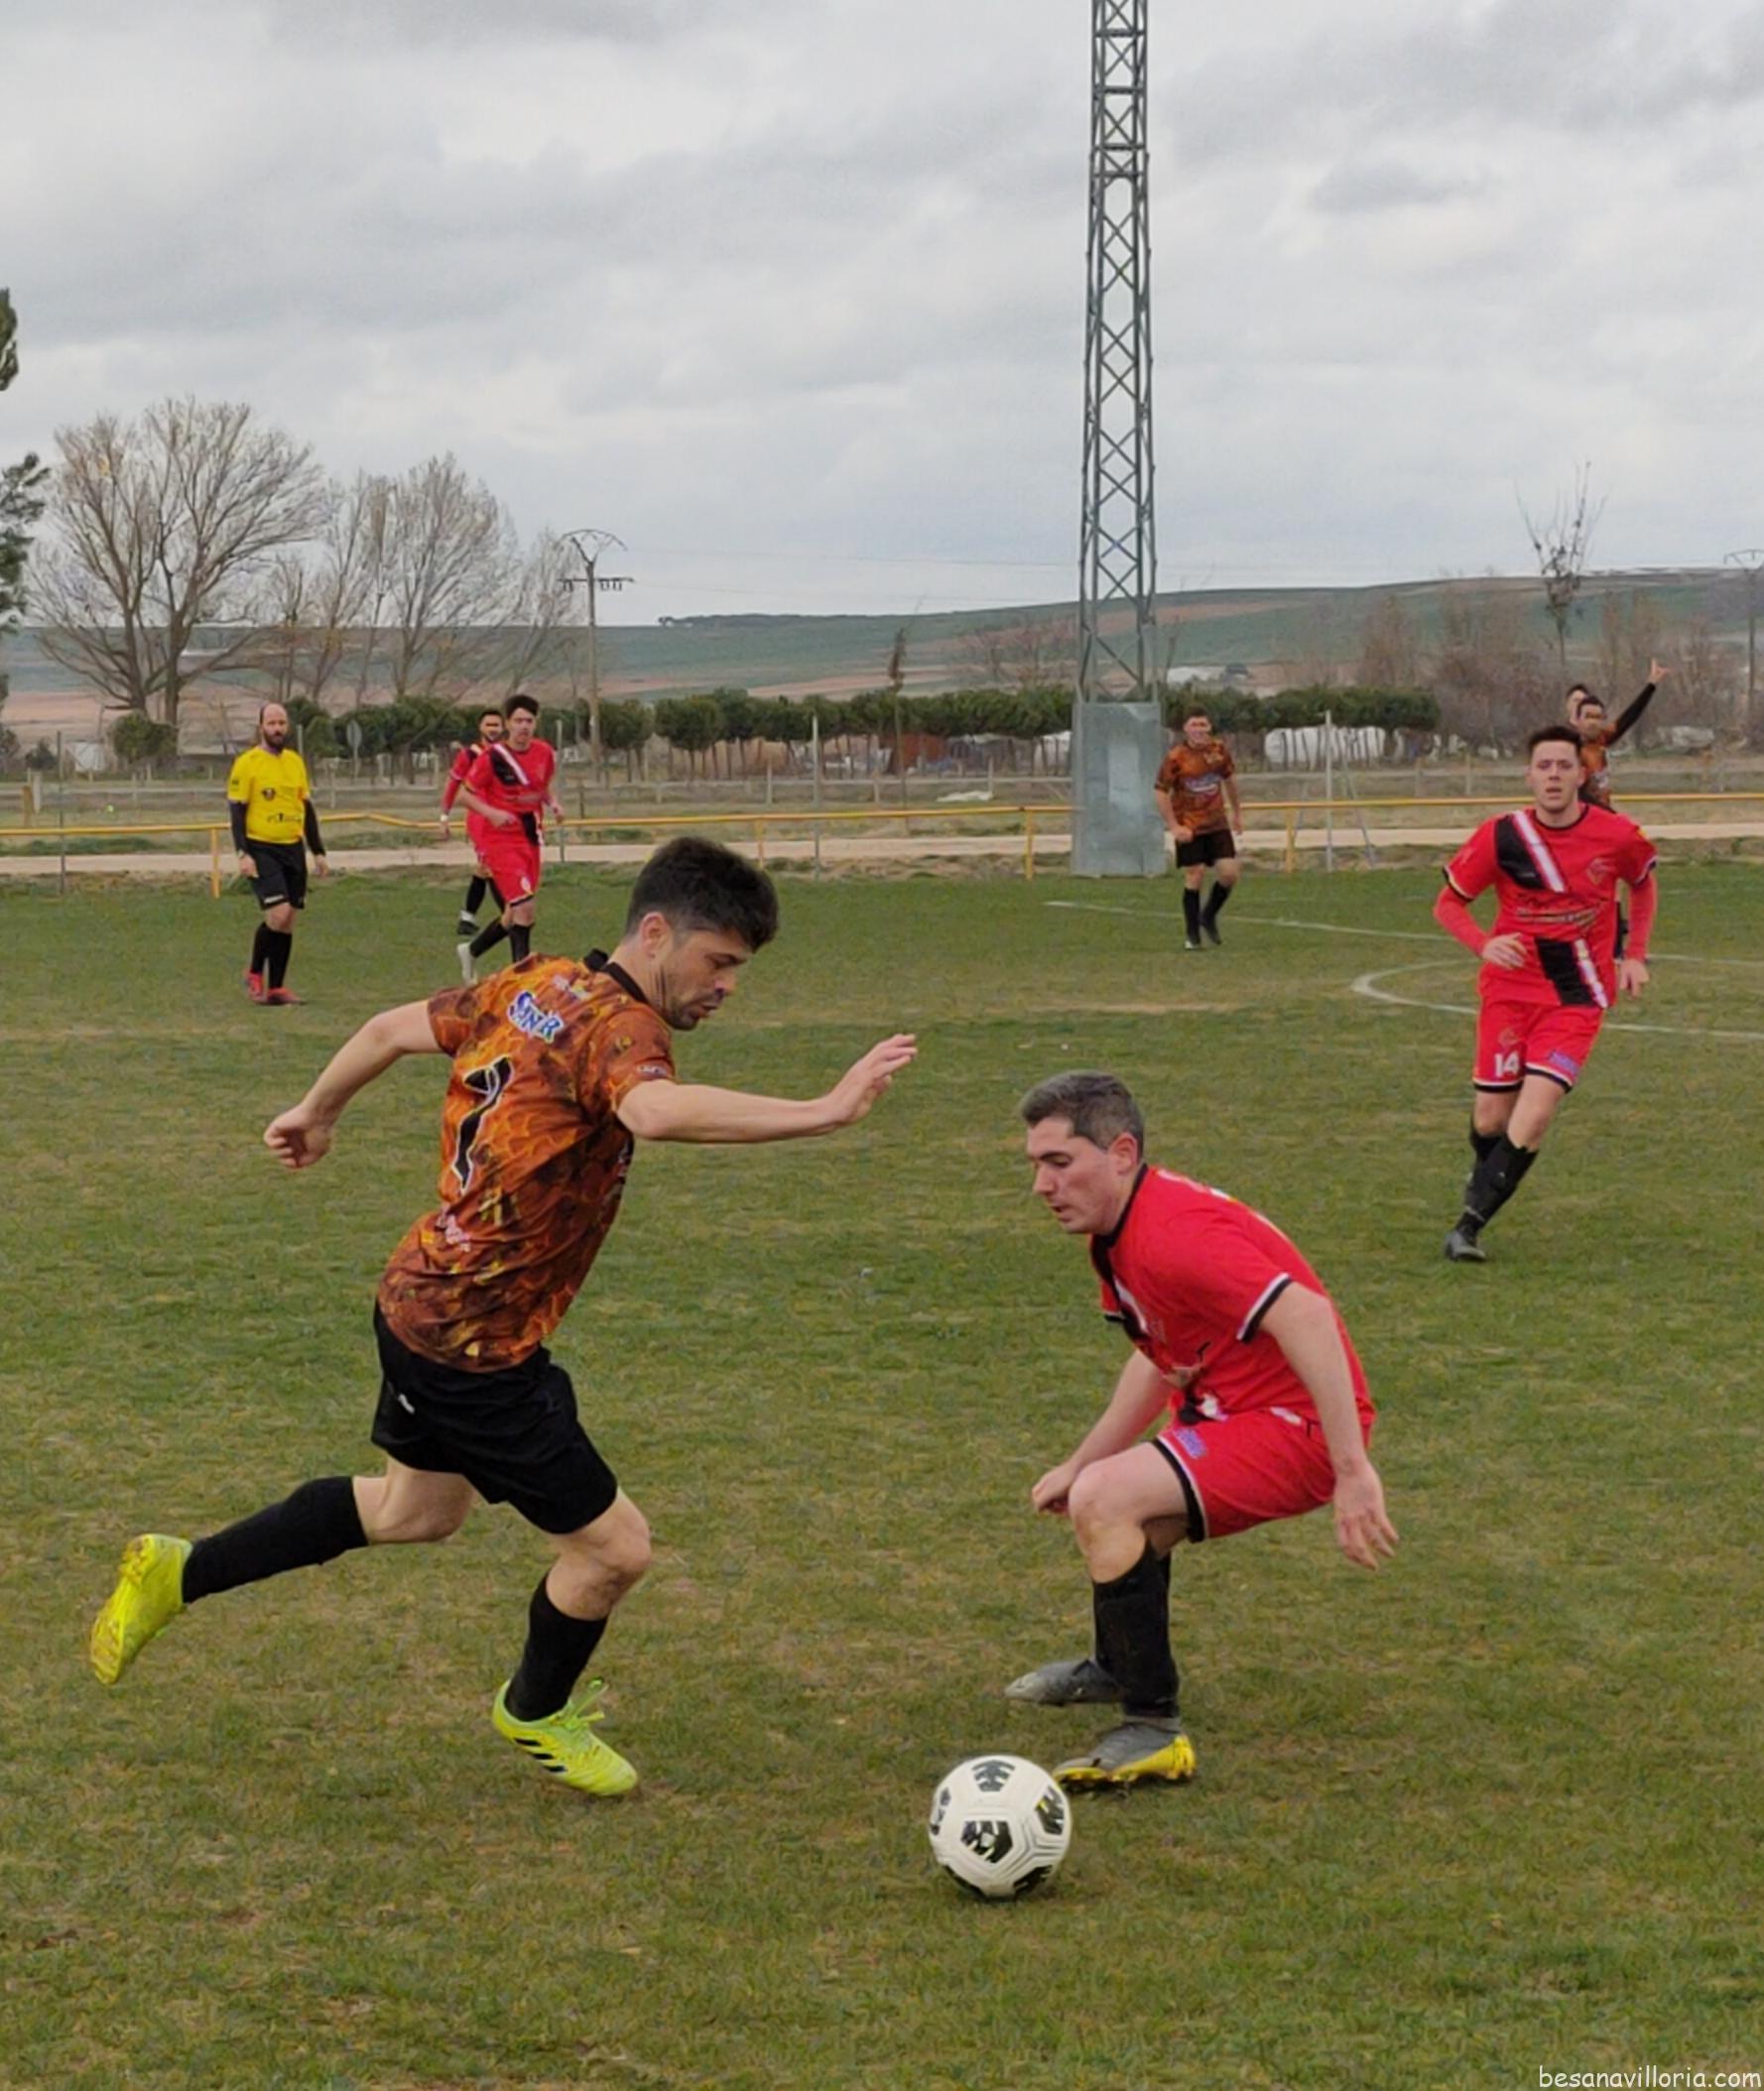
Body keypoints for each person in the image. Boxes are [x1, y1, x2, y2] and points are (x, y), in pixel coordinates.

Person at [89, 837, 918, 1799]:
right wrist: (824, 1110)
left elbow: (388, 1028)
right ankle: (535, 1709)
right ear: (656, 932)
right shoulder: (620, 1028)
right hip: (472, 1346)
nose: (727, 985)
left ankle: (177, 1570)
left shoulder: (535, 979)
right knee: (615, 1550)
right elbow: (653, 1112)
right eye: (719, 960)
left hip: (421, 1297)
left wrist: (317, 1110)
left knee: (413, 1512)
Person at [1005, 1071, 1395, 1789]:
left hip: (1295, 1426)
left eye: (1059, 1162)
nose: (1042, 1186)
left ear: (1122, 1154)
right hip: (1229, 1406)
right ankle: (1120, 1668)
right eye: (1035, 1165)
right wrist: (1080, 1460)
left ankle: (1153, 1729)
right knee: (1116, 1510)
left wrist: (1351, 1470)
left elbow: (1308, 1315)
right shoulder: (1124, 1229)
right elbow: (1163, 1361)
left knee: (1107, 1500)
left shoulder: (1172, 1234)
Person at [1433, 725, 1657, 1265]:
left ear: (1583, 775)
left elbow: (1643, 882)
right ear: (1528, 776)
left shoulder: (1617, 834)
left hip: (1578, 994)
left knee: (1533, 1115)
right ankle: (1487, 1175)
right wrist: (1484, 944)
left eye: (1564, 766)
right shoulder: (1502, 836)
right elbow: (1448, 904)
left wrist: (1635, 955)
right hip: (1510, 993)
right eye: (1544, 766)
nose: (1554, 775)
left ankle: (1468, 1226)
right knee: (1491, 1119)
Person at [454, 694, 564, 980]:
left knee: (513, 913)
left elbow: (543, 786)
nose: (523, 726)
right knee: (524, 908)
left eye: (529, 721)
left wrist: (553, 803)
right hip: (501, 839)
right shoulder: (492, 758)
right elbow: (463, 795)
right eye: (518, 721)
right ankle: (522, 980)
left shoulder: (544, 752)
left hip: (530, 836)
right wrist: (490, 813)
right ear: (507, 724)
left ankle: (471, 950)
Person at [227, 701, 328, 1006]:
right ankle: (254, 971)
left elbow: (306, 808)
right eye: (271, 723)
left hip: (292, 848)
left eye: (281, 723)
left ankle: (277, 988)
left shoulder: (295, 762)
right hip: (262, 847)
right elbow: (237, 812)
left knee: (289, 919)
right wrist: (243, 853)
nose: (277, 728)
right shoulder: (247, 763)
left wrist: (318, 850)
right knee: (278, 913)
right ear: (261, 727)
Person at [1154, 711, 1243, 949]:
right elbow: (1161, 791)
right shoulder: (1176, 757)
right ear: (1186, 728)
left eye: (1203, 724)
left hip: (1217, 823)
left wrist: (1237, 812)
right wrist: (1174, 826)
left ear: (1209, 727)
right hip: (1189, 825)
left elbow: (1230, 780)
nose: (1199, 729)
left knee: (1230, 873)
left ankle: (1208, 915)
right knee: (1196, 873)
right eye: (1194, 724)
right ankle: (1192, 935)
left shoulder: (1219, 751)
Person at [440, 705, 506, 958]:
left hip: (499, 818)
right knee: (490, 866)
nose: (493, 729)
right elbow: (453, 783)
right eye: (489, 725)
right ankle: (509, 914)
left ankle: (467, 917)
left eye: (496, 725)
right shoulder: (470, 754)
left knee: (483, 868)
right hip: (479, 819)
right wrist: (444, 816)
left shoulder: (506, 753)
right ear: (480, 728)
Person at [1567, 662, 1666, 808]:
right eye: (1588, 717)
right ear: (1577, 719)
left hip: (1603, 812)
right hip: (1584, 814)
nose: (1592, 722)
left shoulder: (1602, 738)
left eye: (1597, 717)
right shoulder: (1570, 749)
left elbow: (1628, 718)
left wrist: (1651, 685)